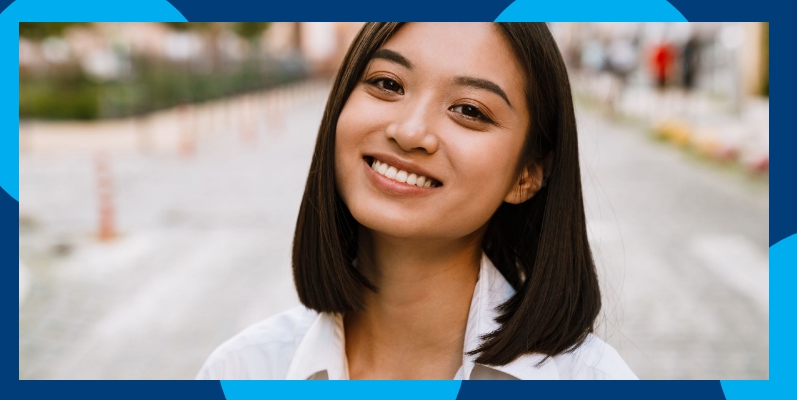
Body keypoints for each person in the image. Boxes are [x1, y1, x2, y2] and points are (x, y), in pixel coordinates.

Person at [196, 22, 637, 380]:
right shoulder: (244, 371)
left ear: (527, 174)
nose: (409, 132)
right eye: (387, 83)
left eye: (469, 110)